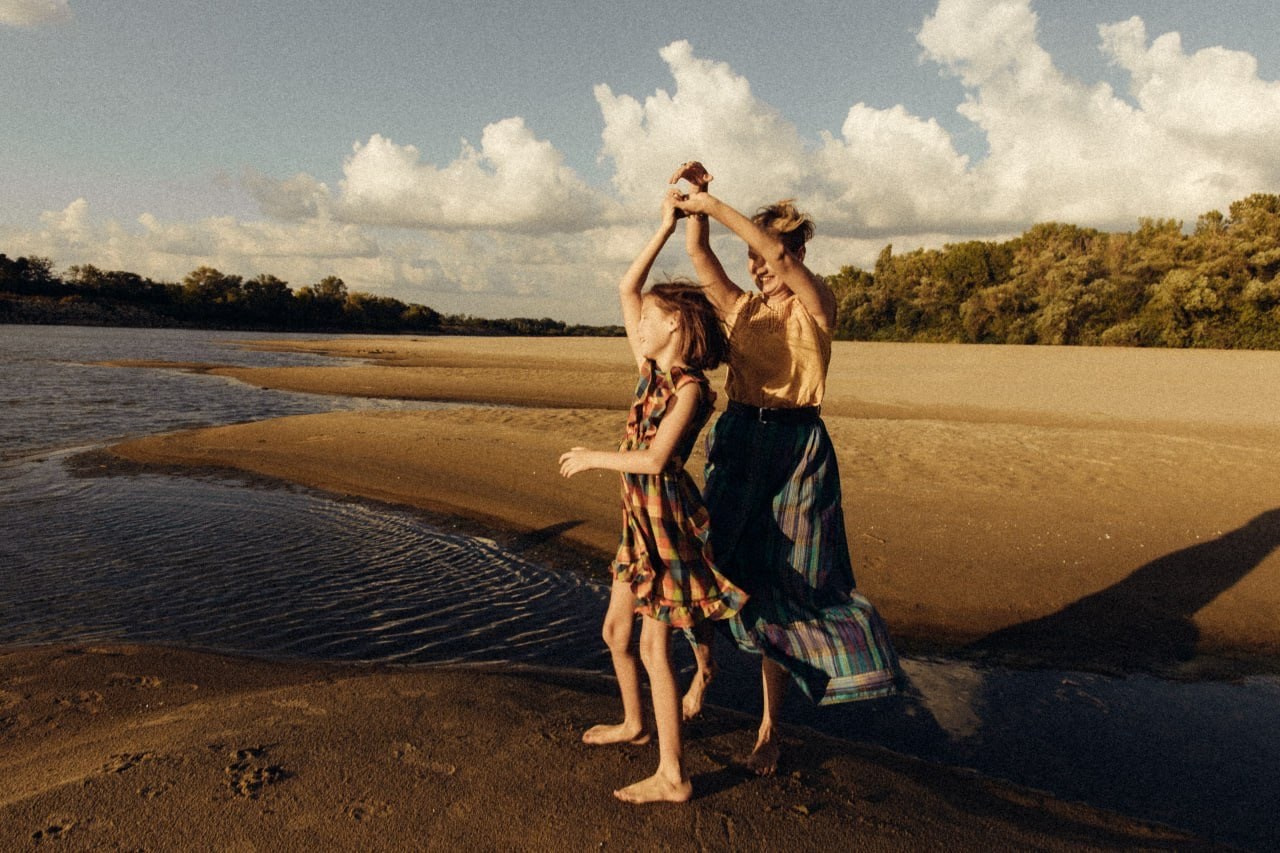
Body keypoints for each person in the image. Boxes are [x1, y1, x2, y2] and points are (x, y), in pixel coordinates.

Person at [669, 161, 901, 776]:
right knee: (710, 558)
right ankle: (706, 668)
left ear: (794, 251)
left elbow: (774, 252)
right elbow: (699, 256)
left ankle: (771, 723)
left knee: (785, 582)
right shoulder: (741, 309)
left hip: (797, 448)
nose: (757, 265)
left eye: (768, 255)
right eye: (752, 258)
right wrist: (685, 202)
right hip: (741, 436)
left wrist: (713, 205)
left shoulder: (817, 307)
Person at [559, 186, 748, 804]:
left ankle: (674, 774)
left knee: (652, 643)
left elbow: (658, 459)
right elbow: (625, 287)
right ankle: (635, 724)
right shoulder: (650, 369)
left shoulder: (689, 387)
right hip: (635, 518)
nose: (637, 318)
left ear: (673, 323)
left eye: (650, 315)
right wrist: (665, 225)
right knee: (617, 635)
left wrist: (591, 457)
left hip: (664, 517)